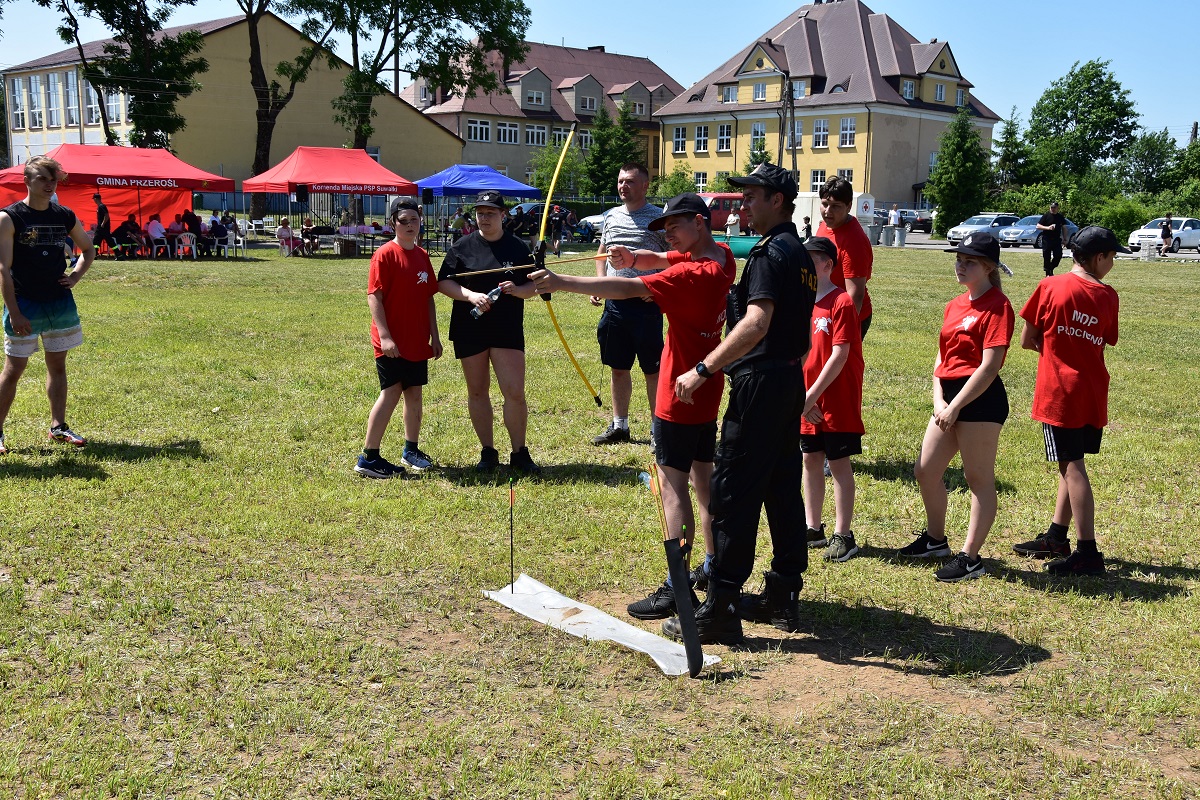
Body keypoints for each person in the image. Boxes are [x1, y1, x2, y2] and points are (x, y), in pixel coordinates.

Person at [531, 193, 736, 619]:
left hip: (677, 396)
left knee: (671, 487)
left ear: (699, 222)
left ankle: (677, 587)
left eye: (675, 226)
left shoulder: (690, 276)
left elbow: (625, 287)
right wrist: (633, 256)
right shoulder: (721, 258)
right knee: (703, 481)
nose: (668, 235)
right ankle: (712, 567)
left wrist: (560, 281)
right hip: (704, 389)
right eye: (665, 229)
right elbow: (660, 259)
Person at [664, 163, 816, 644]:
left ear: (777, 200)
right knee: (782, 487)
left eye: (752, 195)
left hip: (760, 384)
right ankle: (783, 593)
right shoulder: (799, 252)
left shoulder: (770, 254)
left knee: (732, 492)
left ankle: (722, 607)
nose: (744, 203)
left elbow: (756, 323)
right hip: (786, 380)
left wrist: (703, 368)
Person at [897, 232, 1014, 581]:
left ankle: (970, 559)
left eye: (970, 262)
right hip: (948, 399)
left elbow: (990, 367)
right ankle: (936, 541)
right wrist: (939, 400)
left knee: (977, 478)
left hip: (980, 400)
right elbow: (942, 356)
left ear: (989, 267)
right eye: (959, 260)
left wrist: (956, 406)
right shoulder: (954, 304)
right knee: (925, 471)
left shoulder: (998, 306)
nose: (961, 266)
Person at [1011, 226, 1126, 575]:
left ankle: (1088, 552)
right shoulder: (1109, 295)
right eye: (1112, 257)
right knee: (1072, 461)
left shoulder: (1050, 286)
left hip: (1061, 392)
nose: (1112, 264)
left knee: (1072, 467)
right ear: (1099, 257)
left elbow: (1026, 339)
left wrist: (1056, 351)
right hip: (1092, 391)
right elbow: (1105, 338)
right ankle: (1057, 537)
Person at [437, 190, 542, 474]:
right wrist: (471, 296)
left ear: (503, 215)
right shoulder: (462, 246)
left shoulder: (517, 247)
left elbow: (535, 285)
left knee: (514, 392)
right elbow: (444, 282)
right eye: (480, 213)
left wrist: (517, 290)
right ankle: (488, 451)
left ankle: (519, 452)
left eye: (491, 213)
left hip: (506, 328)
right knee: (477, 391)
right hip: (470, 326)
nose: (484, 218)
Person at [0, 156, 96, 455]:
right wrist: (15, 312)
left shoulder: (64, 215)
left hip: (59, 304)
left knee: (57, 366)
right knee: (13, 369)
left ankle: (58, 426)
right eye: (42, 178)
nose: (49, 184)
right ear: (27, 181)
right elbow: (3, 269)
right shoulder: (9, 217)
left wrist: (75, 277)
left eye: (53, 179)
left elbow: (88, 249)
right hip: (24, 303)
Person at [354, 198, 443, 479]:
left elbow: (428, 298)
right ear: (393, 222)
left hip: (417, 340)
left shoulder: (422, 255)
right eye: (403, 220)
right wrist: (385, 336)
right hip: (391, 342)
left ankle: (411, 450)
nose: (409, 225)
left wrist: (435, 336)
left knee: (414, 393)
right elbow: (374, 296)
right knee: (391, 392)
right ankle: (369, 457)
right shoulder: (384, 255)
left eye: (414, 219)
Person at [591, 163, 668, 447]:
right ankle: (619, 425)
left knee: (652, 370)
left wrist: (658, 289)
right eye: (621, 181)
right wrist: (600, 283)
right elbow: (601, 251)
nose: (624, 186)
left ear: (645, 186)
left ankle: (657, 429)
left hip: (646, 306)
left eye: (630, 181)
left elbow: (674, 257)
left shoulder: (659, 218)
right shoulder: (611, 216)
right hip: (615, 306)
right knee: (618, 366)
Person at [799, 236, 865, 563]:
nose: (805, 263)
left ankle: (844, 534)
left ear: (827, 264)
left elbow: (840, 355)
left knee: (838, 463)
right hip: (808, 399)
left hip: (836, 397)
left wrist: (810, 396)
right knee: (810, 459)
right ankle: (813, 528)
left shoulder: (841, 302)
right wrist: (802, 397)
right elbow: (800, 353)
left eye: (811, 258)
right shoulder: (802, 302)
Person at [816, 176, 873, 339]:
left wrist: (844, 331)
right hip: (824, 311)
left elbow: (855, 294)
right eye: (825, 204)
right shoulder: (825, 225)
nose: (828, 211)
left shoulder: (854, 241)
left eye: (835, 206)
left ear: (849, 206)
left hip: (845, 315)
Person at [1036, 201, 1068, 277]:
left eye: (1054, 208)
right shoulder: (1046, 216)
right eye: (1051, 207)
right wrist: (1048, 228)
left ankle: (1051, 268)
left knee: (1058, 255)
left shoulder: (1060, 217)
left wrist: (1065, 238)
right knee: (1046, 256)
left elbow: (1064, 228)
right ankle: (1048, 273)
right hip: (1047, 239)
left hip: (1056, 239)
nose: (1053, 209)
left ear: (1057, 208)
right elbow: (1038, 226)